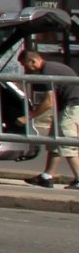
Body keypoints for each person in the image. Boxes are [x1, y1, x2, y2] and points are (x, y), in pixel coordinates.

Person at [24, 46, 79, 188]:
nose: (27, 70)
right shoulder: (50, 67)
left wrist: (29, 117)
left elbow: (49, 102)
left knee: (67, 143)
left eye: (26, 66)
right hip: (67, 106)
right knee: (55, 142)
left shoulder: (47, 72)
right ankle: (47, 176)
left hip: (72, 106)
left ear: (33, 61)